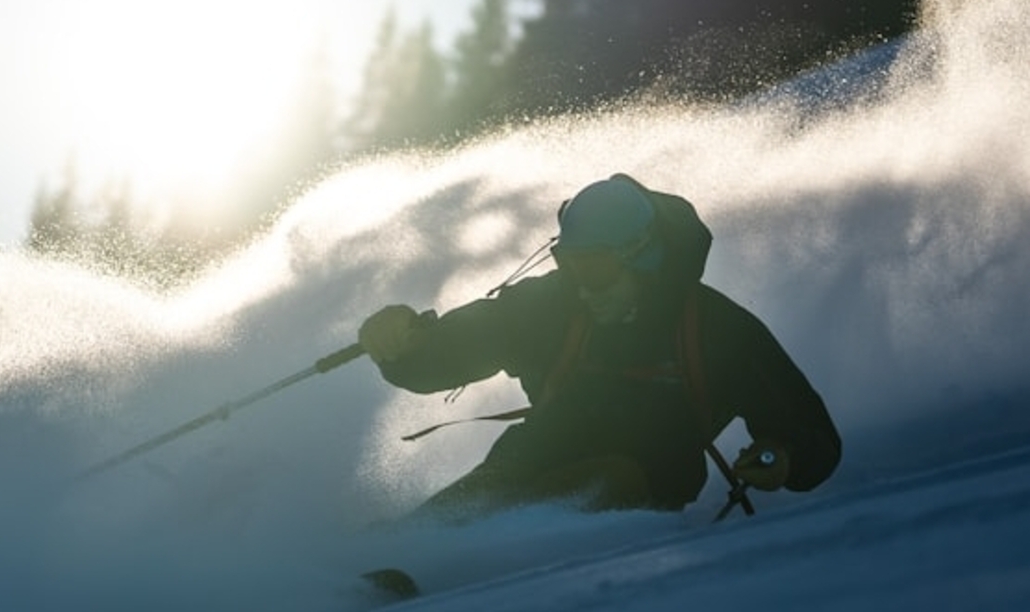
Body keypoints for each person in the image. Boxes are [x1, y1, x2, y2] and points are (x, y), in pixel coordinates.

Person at [358, 174, 841, 521]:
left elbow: (809, 433)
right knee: (467, 507)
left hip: (645, 483)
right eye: (569, 264)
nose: (582, 286)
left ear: (642, 257)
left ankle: (459, 560)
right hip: (527, 462)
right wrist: (402, 348)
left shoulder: (718, 330)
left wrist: (781, 457)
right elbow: (459, 346)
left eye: (595, 269)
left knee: (606, 476)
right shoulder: (555, 304)